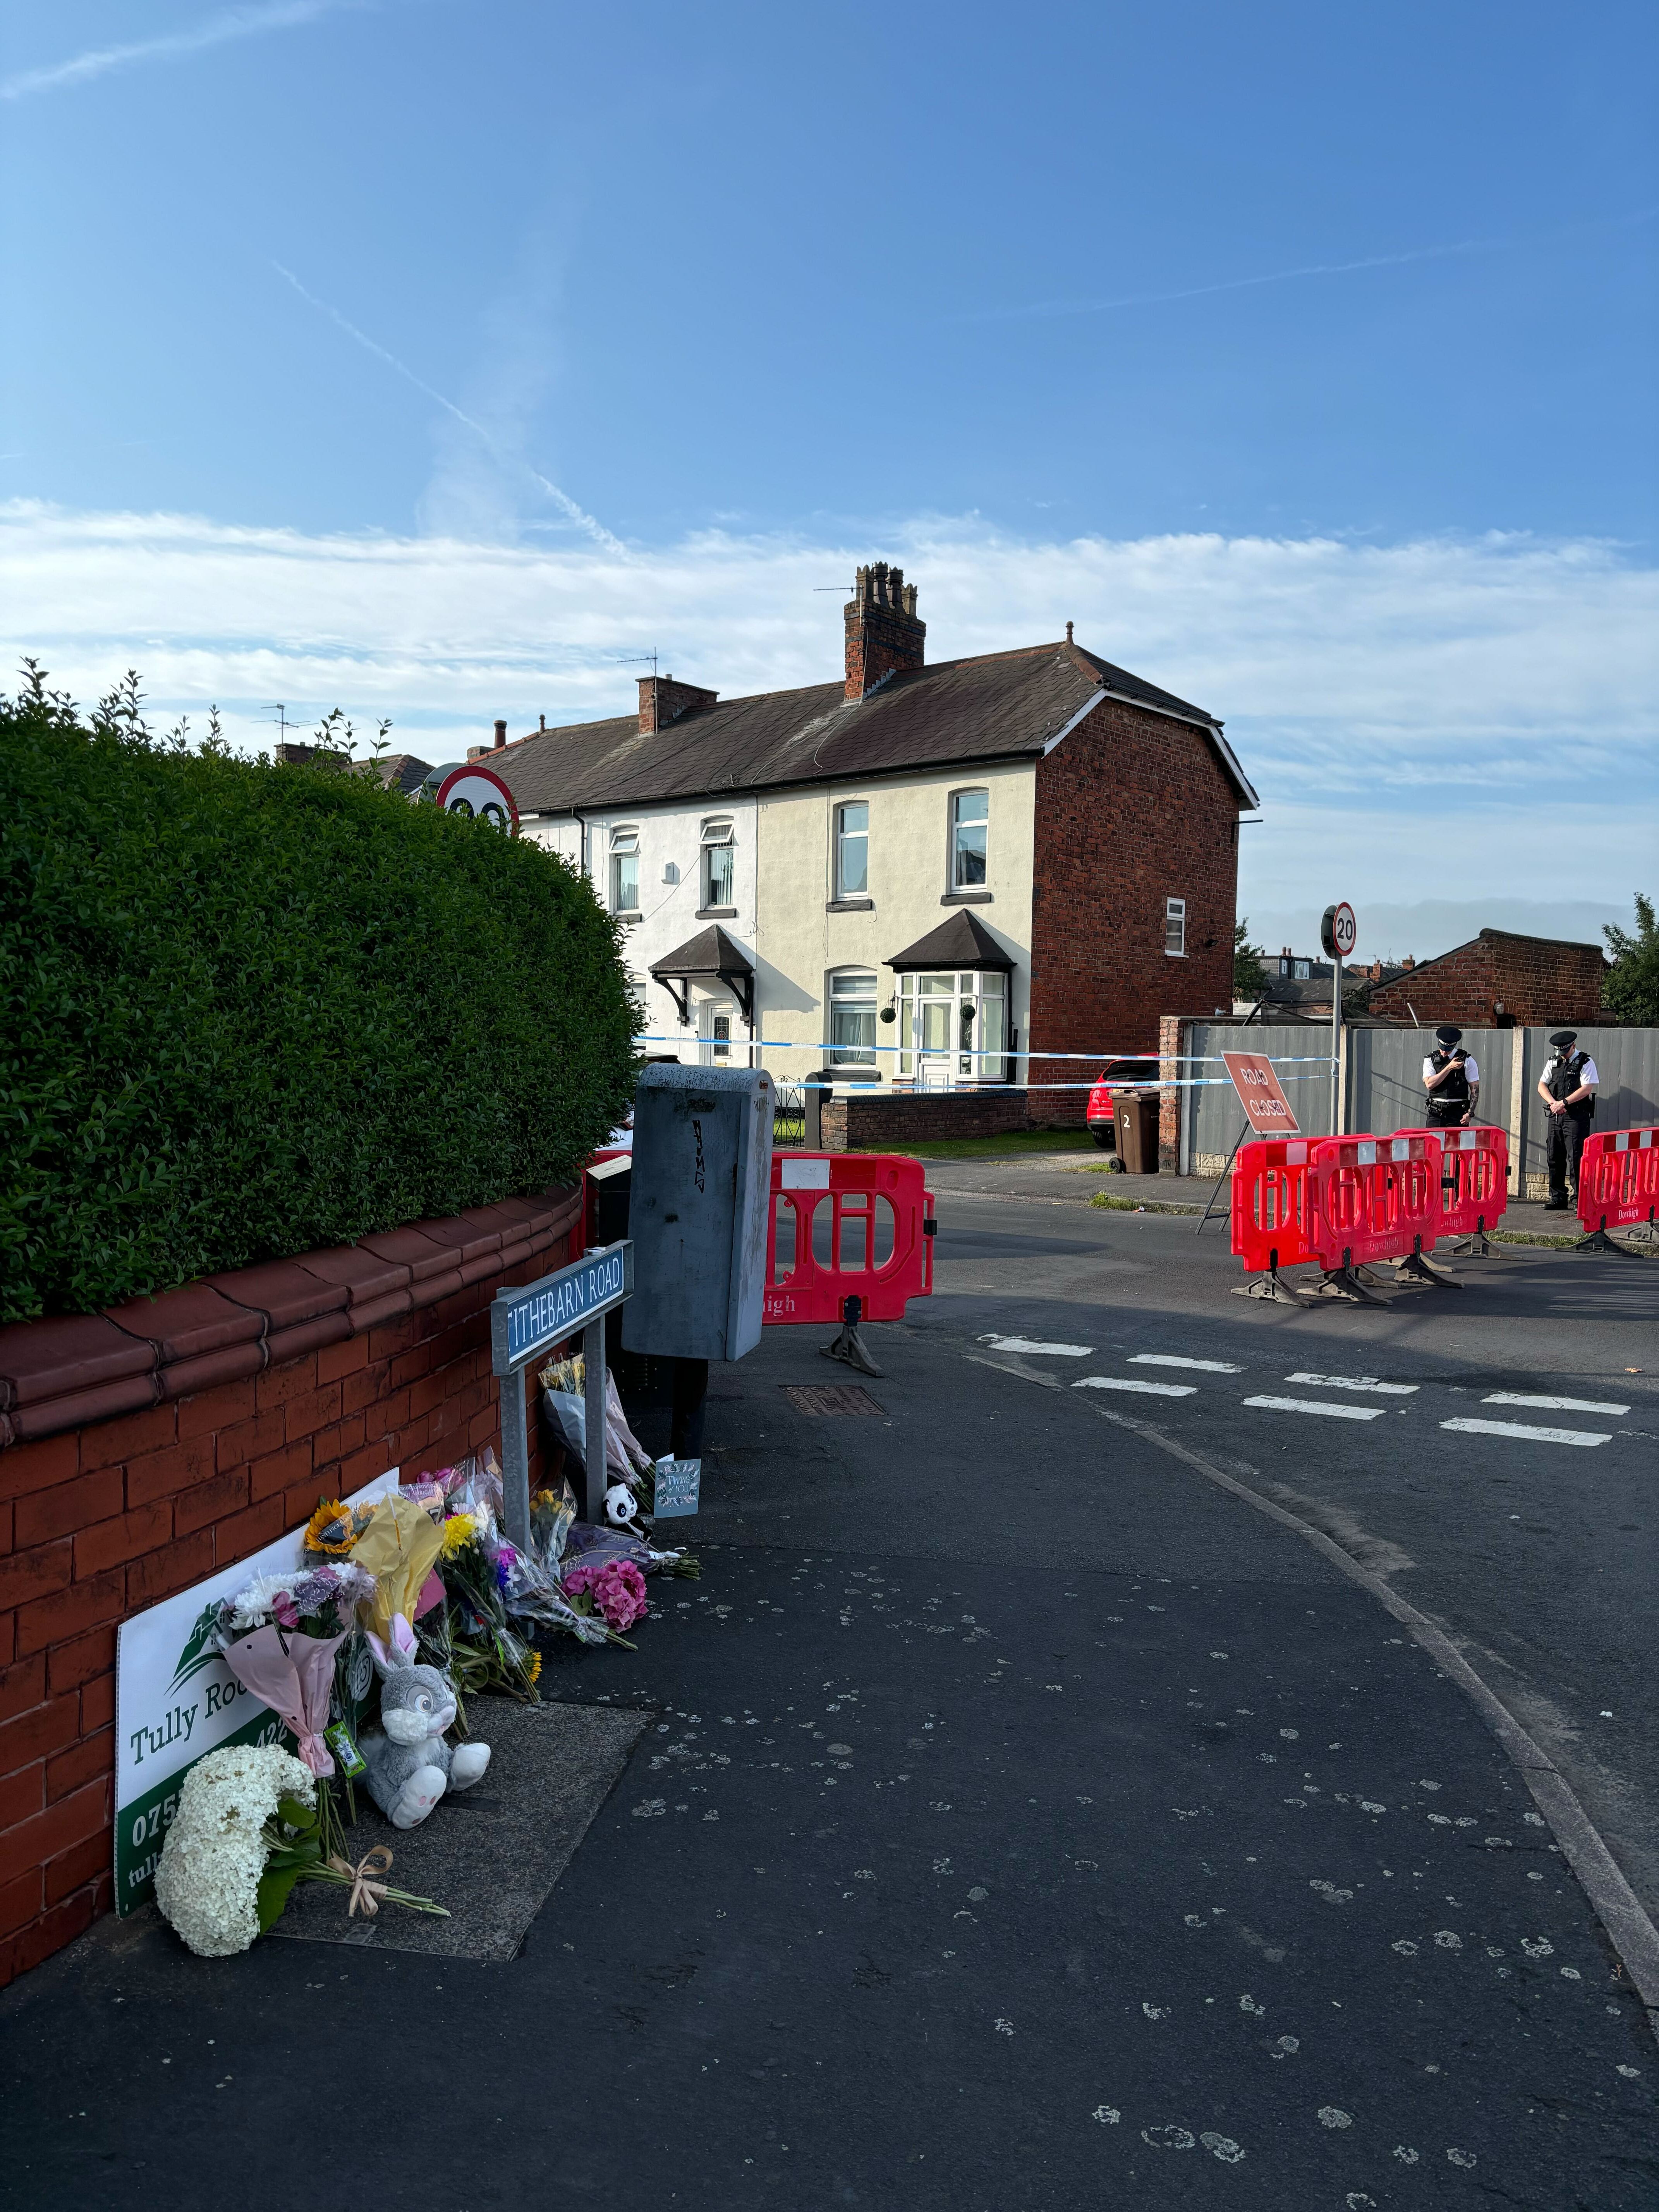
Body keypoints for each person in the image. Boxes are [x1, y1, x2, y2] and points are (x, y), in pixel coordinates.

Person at [1537, 1029, 1599, 1211]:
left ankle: (1579, 1199)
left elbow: (1587, 1088)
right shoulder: (1553, 1061)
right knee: (1554, 1156)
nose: (1562, 1056)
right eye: (1560, 1052)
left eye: (1565, 1051)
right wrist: (1554, 1103)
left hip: (1576, 1117)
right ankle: (1558, 1197)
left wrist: (1564, 1102)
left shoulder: (1586, 1062)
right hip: (1556, 1115)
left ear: (1573, 1046)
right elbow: (1542, 1085)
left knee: (1577, 1158)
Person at [1422, 1024, 1480, 1128]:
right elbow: (1430, 1084)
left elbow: (1475, 1089)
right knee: (1432, 1143)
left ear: (1454, 1046)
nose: (1444, 1052)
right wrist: (1449, 1067)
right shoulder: (1430, 1059)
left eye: (1448, 1049)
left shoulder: (1467, 1060)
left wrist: (1470, 1112)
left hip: (1458, 1112)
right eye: (1442, 1048)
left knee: (1457, 1145)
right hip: (1436, 1112)